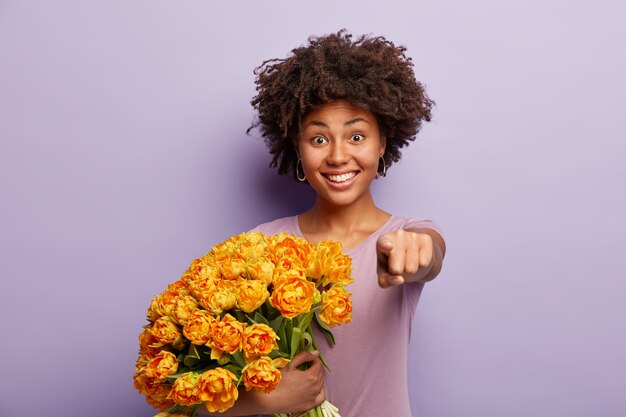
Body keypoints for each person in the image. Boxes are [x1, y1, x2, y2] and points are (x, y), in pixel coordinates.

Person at [201, 29, 446, 417]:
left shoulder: (407, 233)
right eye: (318, 139)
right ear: (296, 147)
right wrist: (259, 401)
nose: (337, 156)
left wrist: (415, 252)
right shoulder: (256, 247)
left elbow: (428, 254)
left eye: (357, 136)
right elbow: (204, 396)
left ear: (382, 144)